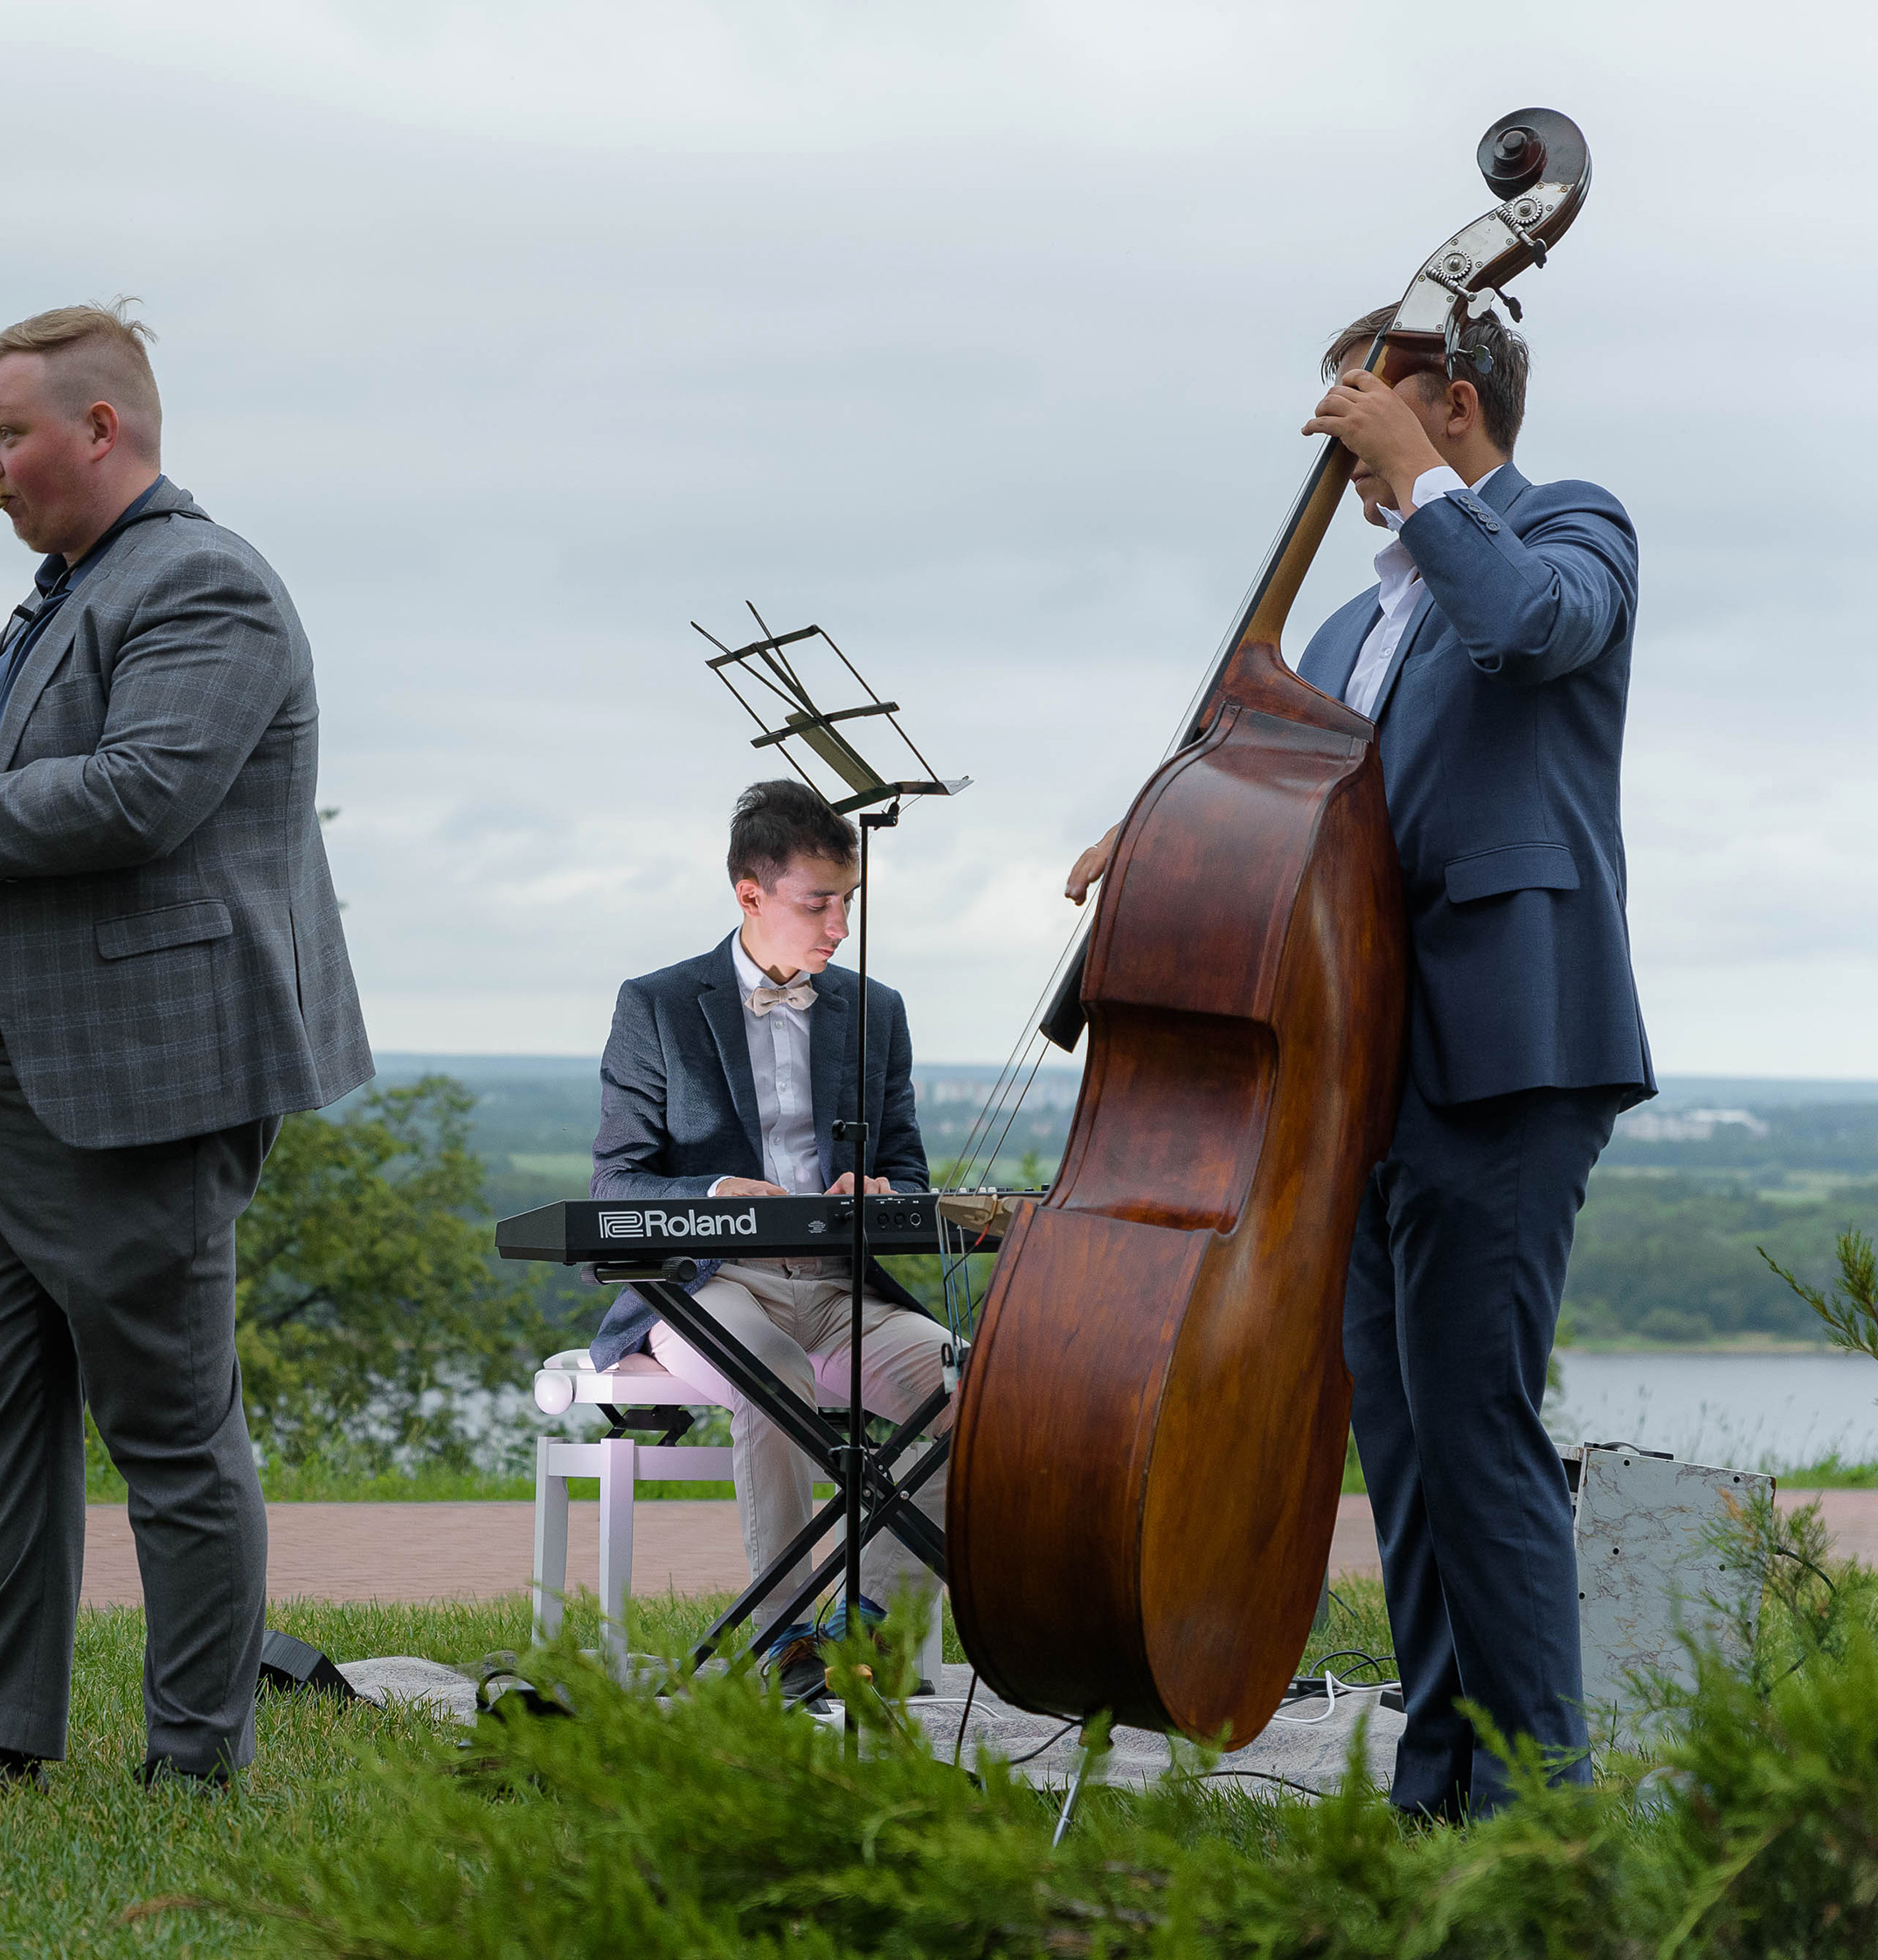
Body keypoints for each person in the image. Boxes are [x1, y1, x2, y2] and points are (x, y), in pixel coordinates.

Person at [1064, 303, 1651, 1820]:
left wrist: (1432, 486)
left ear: (1452, 402)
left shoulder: (1568, 527)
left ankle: (1540, 1807)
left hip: (1511, 1048)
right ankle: (1438, 1782)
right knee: (1402, 1440)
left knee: (1476, 1424)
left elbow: (1530, 629)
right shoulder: (1336, 632)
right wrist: (1168, 834)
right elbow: (1292, 822)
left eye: (1363, 408)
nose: (1339, 443)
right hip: (1357, 1074)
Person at [0, 302, 371, 1792]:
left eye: (9, 434)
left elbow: (144, 794)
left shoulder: (204, 583)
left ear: (101, 429)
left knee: (172, 1438)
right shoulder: (62, 592)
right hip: (0, 1087)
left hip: (136, 1086)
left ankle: (193, 1762)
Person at [589, 779, 958, 1678]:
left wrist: (882, 1188)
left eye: (849, 901)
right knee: (775, 1374)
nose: (841, 925)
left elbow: (909, 1170)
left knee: (980, 1390)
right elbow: (615, 1181)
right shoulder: (657, 1004)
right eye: (818, 902)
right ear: (749, 893)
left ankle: (868, 1627)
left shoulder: (876, 1010)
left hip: (839, 1287)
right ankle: (784, 1639)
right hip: (714, 1285)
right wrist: (717, 1189)